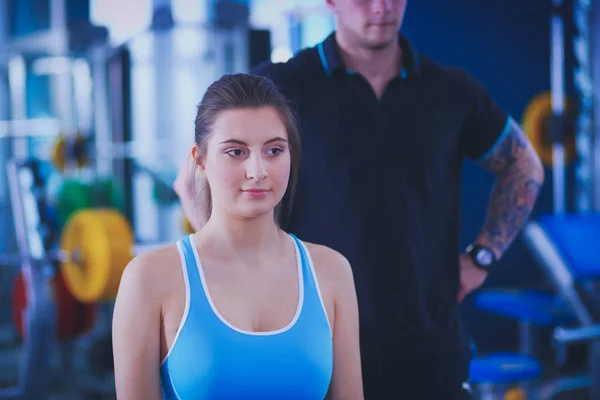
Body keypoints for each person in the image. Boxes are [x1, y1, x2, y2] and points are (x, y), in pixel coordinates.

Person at [175, 1, 545, 398]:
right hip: (316, 350)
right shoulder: (281, 86)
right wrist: (239, 279)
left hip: (429, 348)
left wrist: (483, 256)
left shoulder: (451, 90)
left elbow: (524, 166)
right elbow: (192, 179)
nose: (382, 7)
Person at [112, 74, 364, 399]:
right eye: (236, 152)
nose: (258, 171)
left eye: (274, 150)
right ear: (200, 160)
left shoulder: (331, 271)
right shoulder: (149, 278)